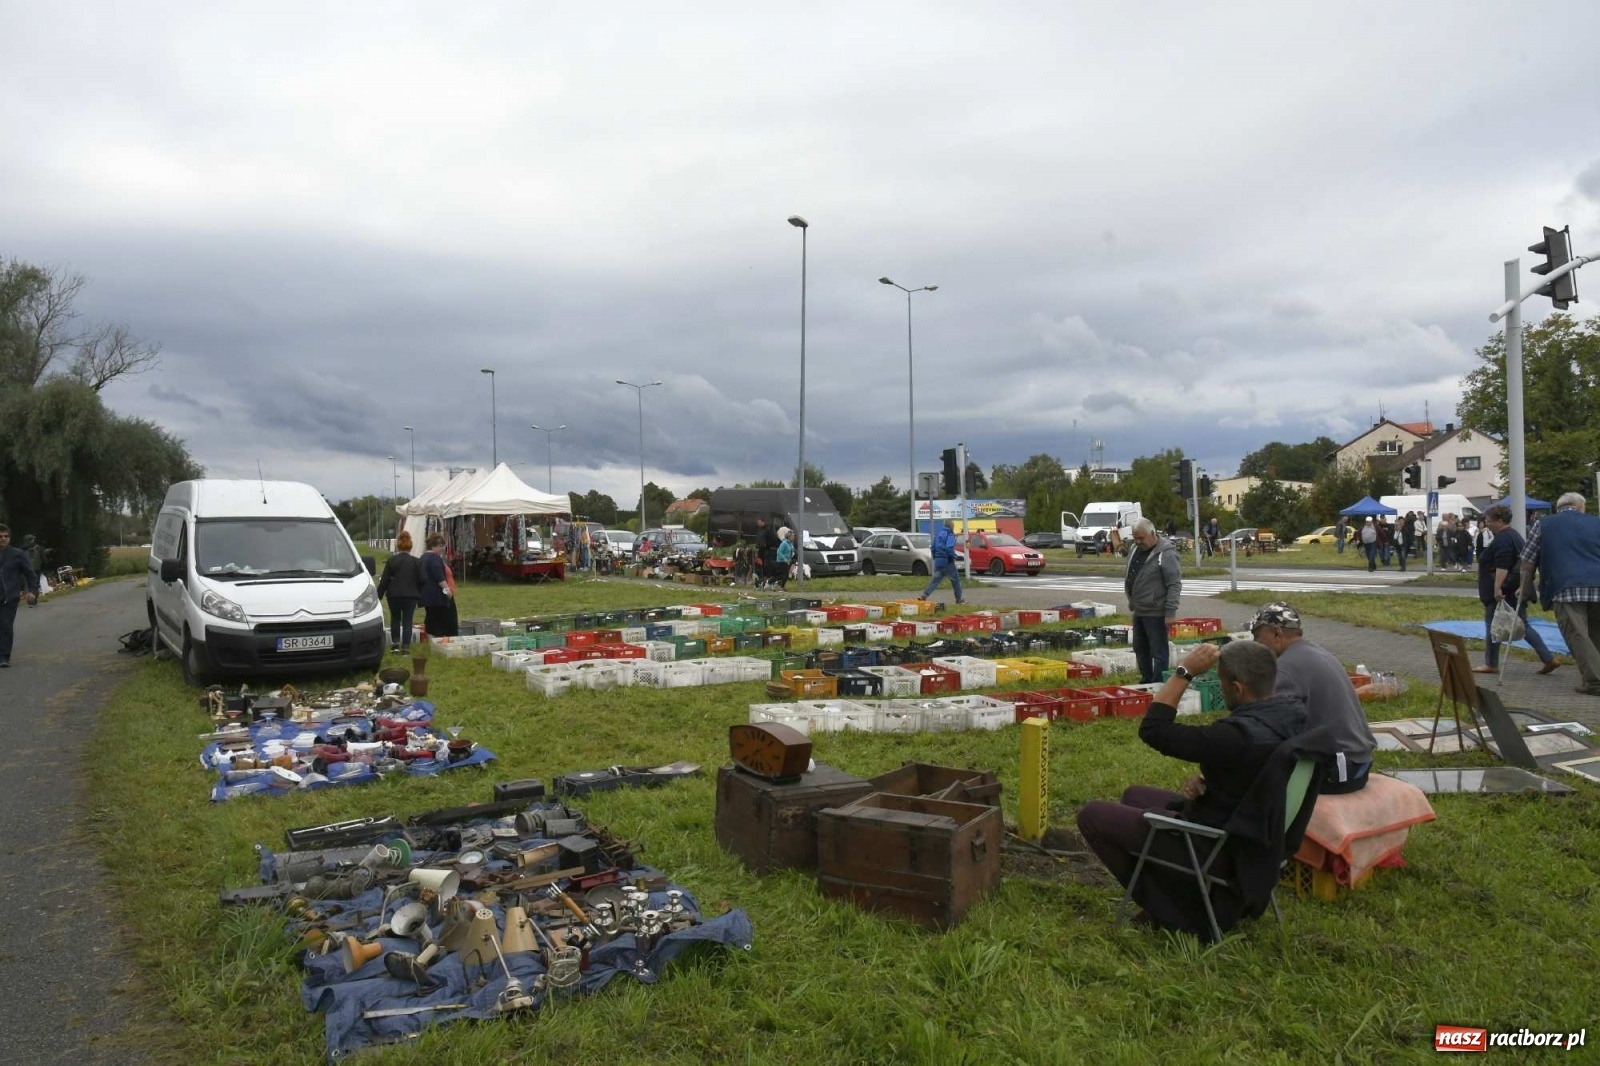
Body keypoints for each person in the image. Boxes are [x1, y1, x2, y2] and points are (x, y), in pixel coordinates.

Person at [1075, 641, 1313, 938]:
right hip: (1255, 836)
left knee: (1092, 815)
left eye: (1222, 683)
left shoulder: (1234, 736)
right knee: (1133, 794)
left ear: (1237, 689)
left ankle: (1173, 908)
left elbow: (1154, 730)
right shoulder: (1293, 714)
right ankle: (1177, 885)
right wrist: (1215, 783)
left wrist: (1184, 673)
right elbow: (1258, 772)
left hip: (1219, 847)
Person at [1249, 601, 1377, 794]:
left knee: (1252, 780)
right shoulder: (1316, 652)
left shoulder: (1286, 667)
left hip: (1341, 769)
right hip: (1358, 761)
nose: (1256, 645)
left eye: (1258, 637)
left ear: (1277, 633)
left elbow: (1268, 728)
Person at [1520, 492, 1600, 696]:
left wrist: (1526, 586)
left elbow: (1528, 561)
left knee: (1578, 634)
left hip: (1565, 586)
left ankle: (1594, 682)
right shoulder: (1596, 522)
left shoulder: (1543, 524)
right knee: (1596, 633)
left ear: (1559, 507)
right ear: (1581, 506)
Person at [1476, 504, 1559, 676]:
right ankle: (1548, 658)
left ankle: (1491, 663)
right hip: (1516, 589)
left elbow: (1502, 565)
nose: (1486, 524)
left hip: (1503, 592)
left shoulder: (1502, 539)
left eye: (1489, 521)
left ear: (1499, 521)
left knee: (1493, 626)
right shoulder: (1514, 536)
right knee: (1523, 625)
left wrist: (1497, 588)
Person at [1124, 518, 1182, 684]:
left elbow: (1174, 584)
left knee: (1158, 651)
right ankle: (1146, 679)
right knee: (1140, 648)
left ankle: (1158, 682)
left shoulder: (1166, 553)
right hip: (1139, 609)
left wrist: (1170, 612)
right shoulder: (1135, 549)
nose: (1137, 541)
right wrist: (1131, 598)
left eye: (1141, 538)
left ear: (1152, 533)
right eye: (1135, 538)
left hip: (1156, 611)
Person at [376, 531, 425, 653]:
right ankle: (406, 647)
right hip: (411, 595)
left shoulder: (392, 561)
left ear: (398, 545)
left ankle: (395, 645)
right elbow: (423, 579)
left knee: (395, 618)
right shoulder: (417, 562)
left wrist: (378, 596)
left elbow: (385, 580)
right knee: (408, 620)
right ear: (410, 546)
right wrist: (418, 593)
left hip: (394, 595)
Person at [0, 525, 39, 667]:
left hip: (9, 597)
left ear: (9, 538)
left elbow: (30, 574)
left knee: (5, 625)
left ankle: (3, 656)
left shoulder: (17, 554)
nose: (3, 539)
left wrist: (32, 591)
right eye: (0, 536)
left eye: (6, 536)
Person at [419, 532, 459, 638]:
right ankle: (443, 636)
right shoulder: (434, 558)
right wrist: (448, 592)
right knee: (444, 617)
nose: (442, 549)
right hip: (437, 595)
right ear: (433, 546)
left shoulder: (423, 557)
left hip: (426, 594)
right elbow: (439, 579)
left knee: (431, 616)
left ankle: (430, 635)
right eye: (440, 546)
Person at [919, 520, 964, 604]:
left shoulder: (938, 534)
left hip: (938, 562)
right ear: (951, 526)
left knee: (935, 580)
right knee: (956, 580)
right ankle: (959, 600)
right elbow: (949, 548)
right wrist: (954, 556)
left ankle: (924, 595)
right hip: (947, 562)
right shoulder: (950, 535)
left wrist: (936, 557)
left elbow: (932, 547)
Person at [754, 516, 779, 589]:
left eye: (759, 522)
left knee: (766, 563)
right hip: (760, 548)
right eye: (757, 522)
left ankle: (766, 576)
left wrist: (767, 544)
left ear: (763, 522)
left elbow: (773, 539)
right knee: (759, 563)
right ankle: (760, 575)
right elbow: (758, 538)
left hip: (766, 549)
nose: (758, 524)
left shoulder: (768, 529)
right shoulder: (759, 530)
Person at [773, 526, 795, 591]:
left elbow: (791, 551)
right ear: (789, 536)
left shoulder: (791, 544)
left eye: (794, 536)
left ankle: (777, 584)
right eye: (793, 536)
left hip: (788, 560)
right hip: (781, 561)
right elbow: (779, 552)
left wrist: (792, 554)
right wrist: (784, 558)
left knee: (784, 574)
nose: (794, 537)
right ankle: (778, 585)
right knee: (785, 574)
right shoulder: (784, 543)